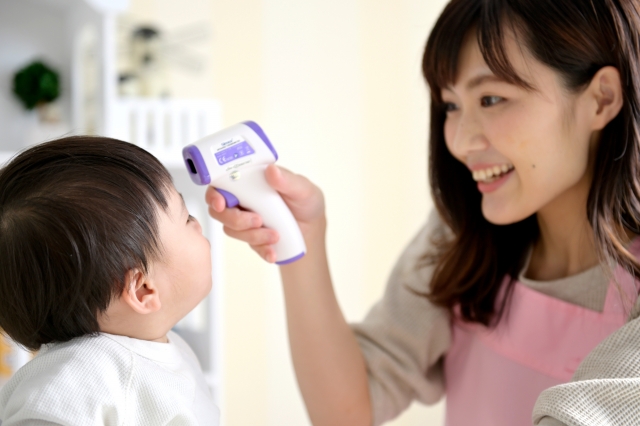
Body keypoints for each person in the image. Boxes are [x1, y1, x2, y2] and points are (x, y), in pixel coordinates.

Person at [206, 0, 640, 425]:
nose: (461, 141)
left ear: (601, 99)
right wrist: (300, 240)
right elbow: (347, 411)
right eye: (450, 105)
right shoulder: (460, 236)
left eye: (491, 99)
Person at [0, 136, 219, 426]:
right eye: (187, 217)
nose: (199, 224)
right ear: (143, 290)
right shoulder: (80, 375)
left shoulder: (168, 349)